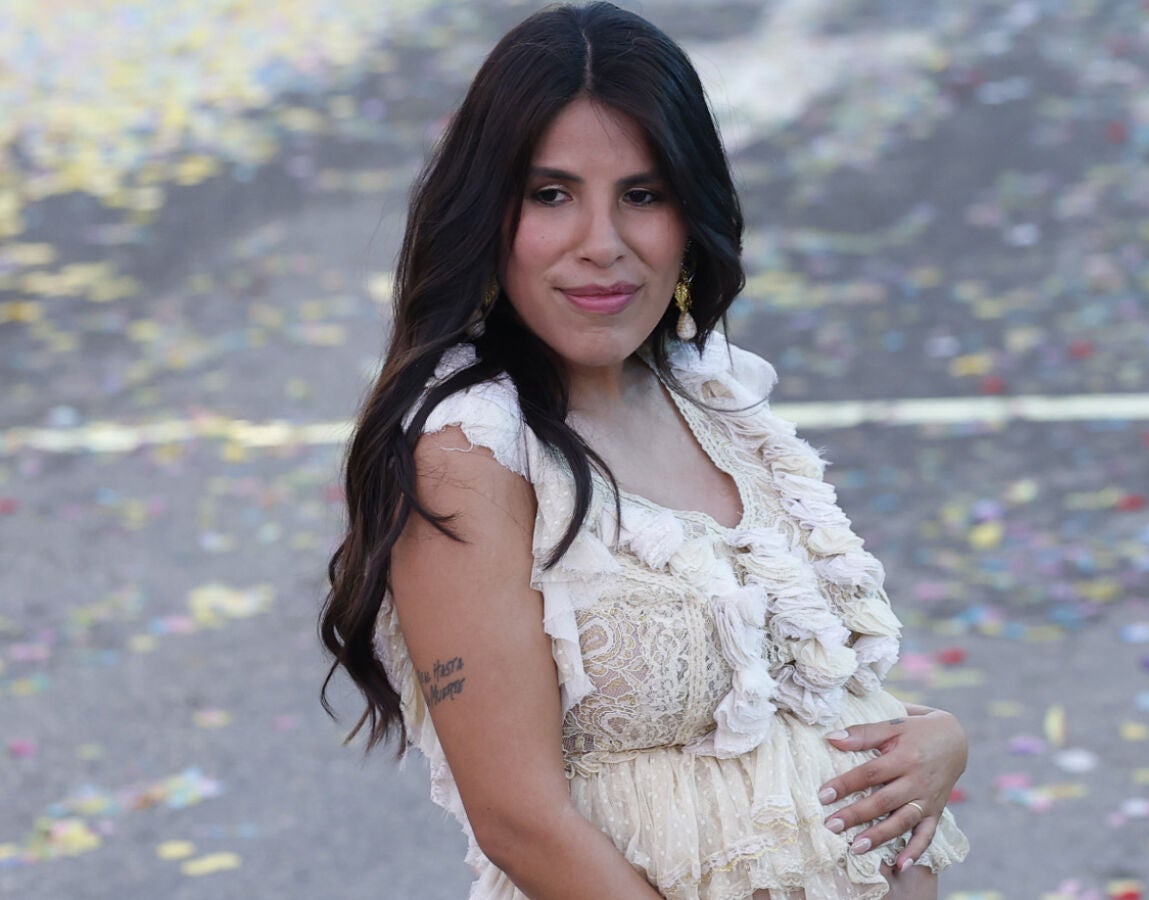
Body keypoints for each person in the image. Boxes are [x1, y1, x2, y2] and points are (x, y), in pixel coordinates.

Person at [318, 3, 970, 898]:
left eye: (643, 195)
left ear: (689, 211)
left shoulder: (714, 399)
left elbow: (792, 699)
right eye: (551, 195)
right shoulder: (473, 458)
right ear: (488, 215)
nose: (603, 245)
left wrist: (935, 740)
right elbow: (518, 818)